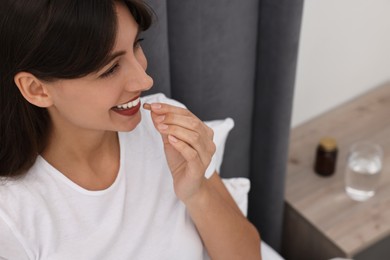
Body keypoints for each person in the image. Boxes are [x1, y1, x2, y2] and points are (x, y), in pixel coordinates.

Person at [0, 0, 261, 259]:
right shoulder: (12, 214)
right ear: (37, 89)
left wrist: (197, 193)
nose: (144, 80)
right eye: (110, 69)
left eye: (136, 45)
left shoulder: (164, 129)